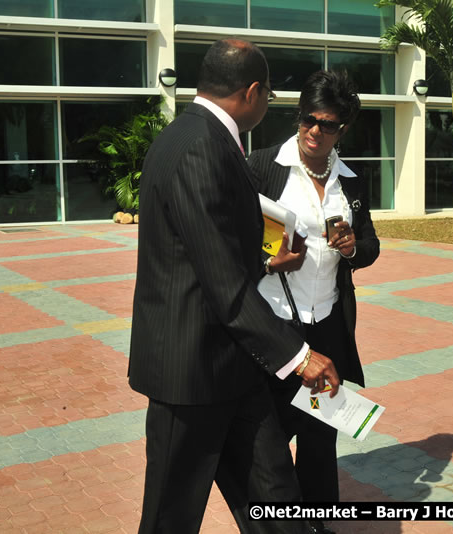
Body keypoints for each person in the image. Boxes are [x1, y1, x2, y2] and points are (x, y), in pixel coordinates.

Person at [128, 39, 340, 534]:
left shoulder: (200, 137)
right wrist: (300, 357)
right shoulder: (200, 147)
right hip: (191, 372)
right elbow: (221, 283)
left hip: (236, 367)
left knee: (276, 500)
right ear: (252, 92)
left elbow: (208, 253)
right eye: (267, 95)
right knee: (170, 516)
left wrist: (267, 262)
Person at [247, 70, 380, 534]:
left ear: (343, 128)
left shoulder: (351, 182)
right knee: (272, 435)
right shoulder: (263, 167)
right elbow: (227, 244)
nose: (314, 131)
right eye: (307, 119)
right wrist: (268, 264)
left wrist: (351, 250)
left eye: (327, 124)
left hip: (327, 329)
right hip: (275, 328)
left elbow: (370, 246)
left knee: (321, 436)